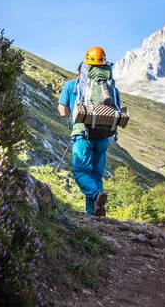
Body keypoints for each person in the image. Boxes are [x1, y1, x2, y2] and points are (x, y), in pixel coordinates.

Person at [58, 47, 110, 216]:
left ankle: (96, 196)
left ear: (79, 72)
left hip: (82, 133)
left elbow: (62, 111)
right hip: (104, 135)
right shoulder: (106, 85)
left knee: (81, 172)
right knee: (96, 174)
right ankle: (94, 212)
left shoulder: (71, 85)